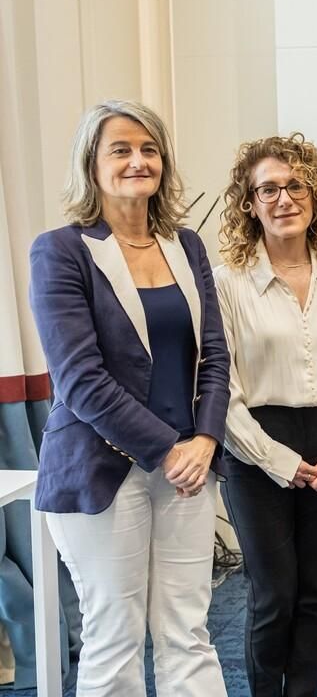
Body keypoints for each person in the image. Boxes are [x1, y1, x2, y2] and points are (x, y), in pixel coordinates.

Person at [27, 100, 230, 697]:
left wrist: (206, 441)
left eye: (149, 149)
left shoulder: (186, 246)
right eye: (120, 149)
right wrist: (169, 449)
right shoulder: (60, 250)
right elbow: (79, 378)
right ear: (91, 163)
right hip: (100, 470)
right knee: (114, 638)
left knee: (188, 635)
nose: (138, 160)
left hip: (191, 469)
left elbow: (215, 355)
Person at [215, 133, 317, 696]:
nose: (284, 198)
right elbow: (221, 390)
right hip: (256, 445)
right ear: (249, 202)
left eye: (295, 186)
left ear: (315, 197)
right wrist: (279, 460)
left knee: (312, 589)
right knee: (272, 593)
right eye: (269, 189)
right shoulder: (228, 284)